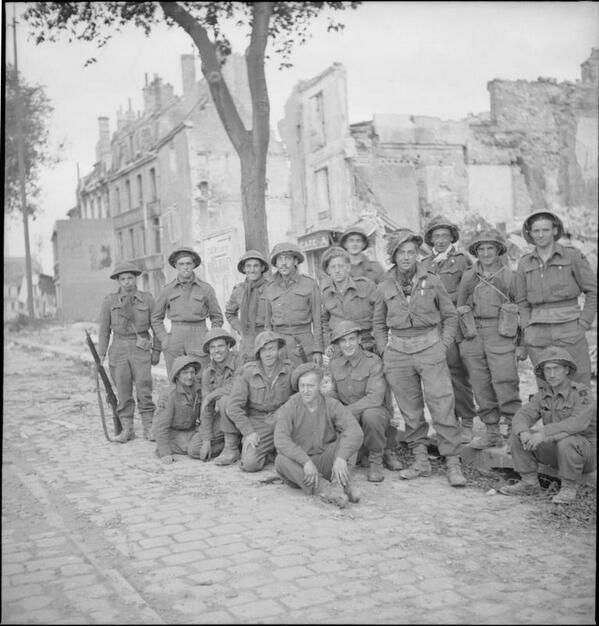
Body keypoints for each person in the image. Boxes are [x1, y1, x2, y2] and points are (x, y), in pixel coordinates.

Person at [373, 228, 467, 487]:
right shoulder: (384, 286)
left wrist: (443, 345)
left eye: (411, 252)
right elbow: (378, 323)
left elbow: (450, 316)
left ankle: (453, 463)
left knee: (441, 404)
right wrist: (384, 351)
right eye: (401, 252)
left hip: (429, 348)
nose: (406, 257)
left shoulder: (433, 281)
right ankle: (421, 460)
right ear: (393, 256)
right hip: (399, 353)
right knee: (410, 410)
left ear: (417, 254)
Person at [321, 246, 403, 472]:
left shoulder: (366, 286)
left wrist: (381, 345)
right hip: (341, 347)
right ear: (328, 271)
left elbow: (381, 313)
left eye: (341, 266)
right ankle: (362, 450)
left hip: (368, 343)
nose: (337, 271)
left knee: (380, 403)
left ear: (348, 266)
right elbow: (323, 321)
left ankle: (387, 450)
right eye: (332, 267)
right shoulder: (325, 292)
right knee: (345, 393)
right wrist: (327, 346)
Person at [499, 347, 596, 504]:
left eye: (556, 369)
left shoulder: (582, 393)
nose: (551, 374)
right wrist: (524, 432)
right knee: (520, 434)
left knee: (567, 441)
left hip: (585, 454)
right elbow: (522, 415)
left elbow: (577, 423)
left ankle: (569, 488)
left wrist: (544, 434)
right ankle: (529, 482)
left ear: (566, 369)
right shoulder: (543, 395)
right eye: (547, 370)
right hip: (558, 451)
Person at [514, 210, 597, 386]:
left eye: (545, 230)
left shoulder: (572, 255)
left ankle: (581, 414)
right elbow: (522, 302)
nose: (541, 235)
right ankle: (551, 415)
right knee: (546, 384)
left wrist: (583, 324)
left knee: (578, 380)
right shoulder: (525, 262)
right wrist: (527, 329)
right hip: (537, 333)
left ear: (554, 230)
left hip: (569, 328)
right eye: (536, 231)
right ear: (530, 233)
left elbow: (592, 291)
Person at [457, 229, 522, 449]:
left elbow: (521, 309)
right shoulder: (468, 276)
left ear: (498, 250)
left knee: (505, 381)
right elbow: (459, 307)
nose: (485, 253)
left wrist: (521, 344)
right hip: (473, 333)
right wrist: (463, 342)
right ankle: (492, 431)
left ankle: (515, 431)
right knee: (480, 384)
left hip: (501, 332)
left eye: (490, 248)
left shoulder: (508, 276)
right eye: (481, 249)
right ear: (475, 252)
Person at [274, 363, 364, 509]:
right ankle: (326, 489)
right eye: (302, 385)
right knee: (281, 460)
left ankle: (340, 483)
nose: (305, 390)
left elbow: (355, 431)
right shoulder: (290, 406)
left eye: (310, 386)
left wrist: (341, 458)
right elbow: (281, 439)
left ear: (320, 385)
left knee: (348, 439)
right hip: (301, 468)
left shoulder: (332, 404)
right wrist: (305, 462)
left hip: (326, 460)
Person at [422, 215, 477, 443]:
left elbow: (474, 290)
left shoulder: (462, 260)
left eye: (445, 236)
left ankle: (466, 421)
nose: (441, 240)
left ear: (452, 237)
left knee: (457, 372)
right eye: (436, 236)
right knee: (436, 376)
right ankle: (446, 423)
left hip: (454, 324)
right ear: (431, 239)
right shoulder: (424, 264)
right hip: (431, 327)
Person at [98, 261, 161, 443]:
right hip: (118, 348)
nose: (127, 282)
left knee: (144, 386)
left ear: (136, 279)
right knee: (123, 389)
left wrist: (157, 350)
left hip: (140, 346)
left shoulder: (147, 299)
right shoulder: (110, 301)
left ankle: (149, 427)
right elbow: (104, 330)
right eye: (123, 279)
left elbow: (156, 326)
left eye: (130, 278)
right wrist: (101, 354)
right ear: (118, 281)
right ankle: (127, 429)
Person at [219, 331, 294, 471]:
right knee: (250, 464)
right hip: (259, 423)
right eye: (263, 350)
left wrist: (284, 411)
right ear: (258, 353)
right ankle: (267, 450)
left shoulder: (289, 369)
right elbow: (234, 407)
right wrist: (249, 432)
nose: (268, 354)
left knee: (299, 457)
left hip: (283, 420)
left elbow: (300, 395)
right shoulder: (248, 372)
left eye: (271, 348)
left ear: (278, 350)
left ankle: (274, 449)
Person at [327, 321, 391, 482]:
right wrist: (327, 401)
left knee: (372, 415)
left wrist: (347, 411)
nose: (348, 345)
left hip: (371, 412)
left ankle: (376, 460)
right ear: (338, 344)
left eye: (351, 339)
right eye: (343, 341)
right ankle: (349, 454)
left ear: (359, 340)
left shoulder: (373, 361)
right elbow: (335, 392)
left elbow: (375, 398)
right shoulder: (335, 364)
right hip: (350, 415)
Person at [151, 245, 224, 378]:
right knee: (176, 379)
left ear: (194, 265)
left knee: (202, 378)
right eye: (181, 264)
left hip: (199, 335)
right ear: (176, 266)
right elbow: (156, 318)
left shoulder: (205, 289)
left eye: (189, 263)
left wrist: (211, 338)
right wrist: (165, 339)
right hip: (175, 337)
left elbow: (217, 317)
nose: (185, 267)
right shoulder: (167, 290)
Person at [153, 355, 225, 464]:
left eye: (192, 372)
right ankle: (228, 447)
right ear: (177, 375)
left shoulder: (198, 389)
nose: (189, 376)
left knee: (216, 426)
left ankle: (230, 444)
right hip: (176, 435)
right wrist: (164, 452)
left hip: (193, 430)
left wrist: (206, 437)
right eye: (185, 373)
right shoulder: (169, 395)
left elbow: (206, 414)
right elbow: (160, 426)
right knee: (195, 450)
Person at [264, 242, 324, 366]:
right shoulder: (269, 287)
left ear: (296, 261)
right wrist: (270, 348)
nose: (284, 263)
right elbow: (267, 324)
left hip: (303, 344)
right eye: (280, 259)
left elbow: (318, 320)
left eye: (288, 258)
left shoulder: (309, 284)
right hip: (279, 345)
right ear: (275, 263)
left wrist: (317, 349)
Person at [197, 328, 242, 462]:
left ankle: (231, 448)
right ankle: (237, 442)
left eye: (221, 346)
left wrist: (212, 395)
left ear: (228, 346)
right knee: (194, 449)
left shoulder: (240, 360)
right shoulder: (208, 372)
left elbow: (236, 387)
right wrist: (206, 441)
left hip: (245, 413)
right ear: (209, 351)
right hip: (225, 418)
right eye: (212, 347)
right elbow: (206, 408)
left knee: (225, 401)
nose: (217, 350)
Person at [225, 250, 271, 363]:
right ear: (244, 269)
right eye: (248, 266)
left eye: (256, 266)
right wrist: (240, 329)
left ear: (262, 268)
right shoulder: (239, 290)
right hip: (247, 338)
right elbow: (230, 313)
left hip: (267, 334)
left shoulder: (271, 287)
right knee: (248, 370)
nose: (252, 270)